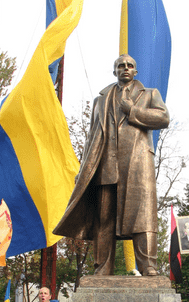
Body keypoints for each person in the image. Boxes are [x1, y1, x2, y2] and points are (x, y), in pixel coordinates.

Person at [53, 54, 170, 276]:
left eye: (129, 66)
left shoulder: (150, 94)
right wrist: (83, 170)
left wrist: (132, 111)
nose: (125, 68)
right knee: (103, 217)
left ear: (135, 71)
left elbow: (163, 118)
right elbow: (91, 137)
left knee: (142, 215)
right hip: (106, 163)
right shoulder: (101, 99)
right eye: (120, 66)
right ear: (114, 71)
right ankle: (102, 267)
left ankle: (148, 266)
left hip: (137, 163)